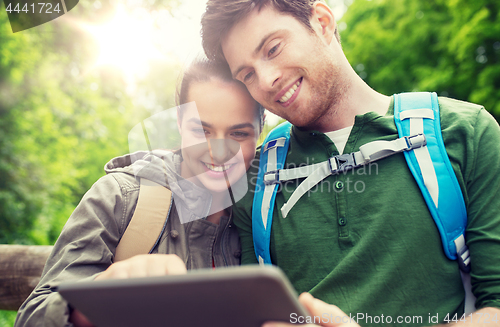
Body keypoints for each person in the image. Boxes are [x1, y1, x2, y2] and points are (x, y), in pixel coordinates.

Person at [200, 0, 500, 326]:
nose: (267, 79)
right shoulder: (254, 177)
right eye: (247, 74)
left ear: (323, 22)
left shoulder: (464, 132)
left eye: (273, 49)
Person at [14, 58, 265, 327]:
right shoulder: (120, 197)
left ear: (260, 128)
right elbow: (32, 317)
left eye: (238, 134)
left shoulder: (265, 213)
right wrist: (98, 299)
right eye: (201, 130)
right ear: (180, 122)